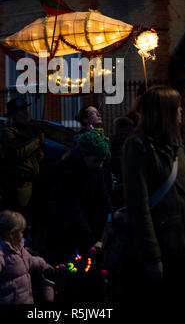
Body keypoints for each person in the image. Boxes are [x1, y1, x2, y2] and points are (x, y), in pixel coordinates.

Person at [122, 85, 185, 306]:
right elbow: (139, 205)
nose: (180, 111)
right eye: (176, 107)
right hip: (162, 249)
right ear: (163, 112)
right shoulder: (138, 146)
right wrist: (152, 256)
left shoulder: (176, 145)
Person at [55, 128, 113, 303]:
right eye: (96, 161)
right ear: (84, 156)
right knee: (77, 280)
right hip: (75, 234)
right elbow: (73, 210)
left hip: (92, 229)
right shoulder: (69, 173)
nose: (100, 165)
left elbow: (103, 196)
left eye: (102, 161)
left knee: (94, 280)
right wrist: (91, 239)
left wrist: (112, 215)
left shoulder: (96, 170)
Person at [0, 96, 45, 238]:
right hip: (20, 185)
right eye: (21, 110)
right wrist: (37, 141)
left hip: (34, 183)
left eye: (26, 109)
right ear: (14, 114)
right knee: (21, 222)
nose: (25, 112)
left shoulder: (28, 130)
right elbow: (18, 153)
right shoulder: (9, 132)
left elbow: (37, 157)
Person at [0, 210, 54, 304]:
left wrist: (44, 265)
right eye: (21, 231)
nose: (23, 234)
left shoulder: (19, 247)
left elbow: (30, 260)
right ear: (11, 234)